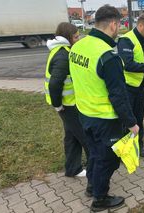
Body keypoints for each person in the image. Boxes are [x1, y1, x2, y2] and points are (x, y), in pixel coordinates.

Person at [69, 5, 139, 212]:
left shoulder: (78, 46)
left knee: (94, 153)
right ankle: (100, 199)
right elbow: (119, 95)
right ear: (113, 25)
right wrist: (132, 123)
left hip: (84, 114)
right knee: (107, 160)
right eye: (120, 25)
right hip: (105, 119)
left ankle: (92, 186)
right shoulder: (108, 57)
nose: (119, 29)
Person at [44, 22, 89, 177]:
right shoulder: (63, 55)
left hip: (67, 104)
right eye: (76, 37)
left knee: (71, 137)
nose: (78, 40)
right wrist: (58, 105)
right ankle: (94, 170)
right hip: (67, 105)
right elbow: (55, 83)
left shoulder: (60, 50)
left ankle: (72, 169)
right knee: (86, 137)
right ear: (68, 37)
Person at [117, 13, 144, 158]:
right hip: (127, 88)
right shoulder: (126, 40)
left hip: (140, 88)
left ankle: (139, 146)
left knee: (139, 119)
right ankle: (125, 151)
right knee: (127, 121)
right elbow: (128, 65)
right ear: (140, 25)